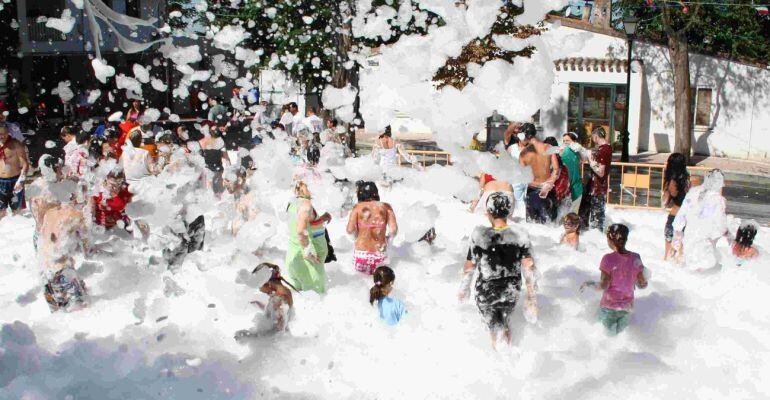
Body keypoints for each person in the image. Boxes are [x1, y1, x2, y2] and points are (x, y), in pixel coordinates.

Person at [459, 192, 538, 348]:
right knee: (504, 320)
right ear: (508, 211)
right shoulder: (520, 235)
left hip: (486, 291)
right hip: (511, 289)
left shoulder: (480, 235)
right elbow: (529, 266)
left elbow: (470, 265)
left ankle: (498, 358)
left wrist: (464, 288)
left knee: (494, 328)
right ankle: (509, 352)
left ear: (488, 212)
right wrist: (531, 297)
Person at [580, 224, 648, 335]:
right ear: (626, 239)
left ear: (610, 239)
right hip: (627, 308)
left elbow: (603, 285)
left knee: (605, 342)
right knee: (621, 341)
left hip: (609, 308)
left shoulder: (608, 259)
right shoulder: (636, 257)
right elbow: (642, 284)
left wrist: (589, 283)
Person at [672, 169, 729, 270]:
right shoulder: (717, 199)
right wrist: (720, 234)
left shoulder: (692, 193)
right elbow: (720, 223)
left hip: (690, 236)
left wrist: (678, 232)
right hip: (705, 238)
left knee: (691, 266)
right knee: (704, 267)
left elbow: (681, 215)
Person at [285, 180, 331, 293]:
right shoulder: (306, 205)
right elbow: (301, 231)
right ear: (301, 187)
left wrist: (320, 219)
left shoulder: (293, 203)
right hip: (308, 265)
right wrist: (308, 252)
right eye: (309, 185)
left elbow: (300, 224)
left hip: (293, 257)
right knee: (315, 302)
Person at [347, 181, 398, 275]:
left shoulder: (357, 207)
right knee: (380, 281)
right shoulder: (386, 207)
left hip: (361, 253)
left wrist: (356, 238)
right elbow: (393, 230)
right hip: (379, 252)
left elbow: (350, 230)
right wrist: (388, 241)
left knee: (361, 283)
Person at [236, 263, 296, 339]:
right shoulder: (281, 293)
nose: (261, 291)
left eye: (259, 287)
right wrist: (262, 306)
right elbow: (276, 314)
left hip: (276, 345)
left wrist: (251, 337)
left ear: (267, 283)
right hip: (283, 342)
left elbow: (278, 330)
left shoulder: (278, 298)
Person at [519, 123, 561, 224]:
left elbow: (522, 177)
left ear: (524, 136)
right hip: (547, 190)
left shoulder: (523, 153)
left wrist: (537, 184)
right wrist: (549, 183)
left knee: (533, 228)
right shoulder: (549, 147)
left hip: (532, 192)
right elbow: (556, 169)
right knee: (549, 227)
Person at [577, 127, 612, 231]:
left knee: (597, 217)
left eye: (592, 137)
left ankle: (596, 237)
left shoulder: (605, 149)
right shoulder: (601, 149)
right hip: (593, 187)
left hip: (598, 188)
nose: (593, 139)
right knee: (584, 211)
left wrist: (592, 164)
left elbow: (601, 173)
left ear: (596, 136)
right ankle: (587, 233)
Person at [662, 153, 690, 260]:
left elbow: (665, 203)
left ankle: (667, 259)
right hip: (685, 216)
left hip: (674, 215)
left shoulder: (671, 182)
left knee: (668, 246)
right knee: (681, 247)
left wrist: (666, 192)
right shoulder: (686, 180)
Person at [0, 123, 30, 218]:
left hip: (15, 181)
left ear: (8, 132)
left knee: (17, 213)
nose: (1, 136)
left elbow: (25, 164)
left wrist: (21, 180)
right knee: (1, 213)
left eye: (3, 133)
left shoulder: (15, 144)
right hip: (0, 182)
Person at [199, 124, 231, 194]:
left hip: (210, 168)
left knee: (212, 190)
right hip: (214, 168)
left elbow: (226, 157)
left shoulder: (202, 142)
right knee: (216, 190)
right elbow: (226, 157)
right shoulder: (219, 141)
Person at [560, 132, 583, 213]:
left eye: (567, 141)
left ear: (574, 141)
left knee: (571, 213)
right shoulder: (562, 152)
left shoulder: (576, 151)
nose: (565, 142)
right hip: (566, 186)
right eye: (564, 141)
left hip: (575, 186)